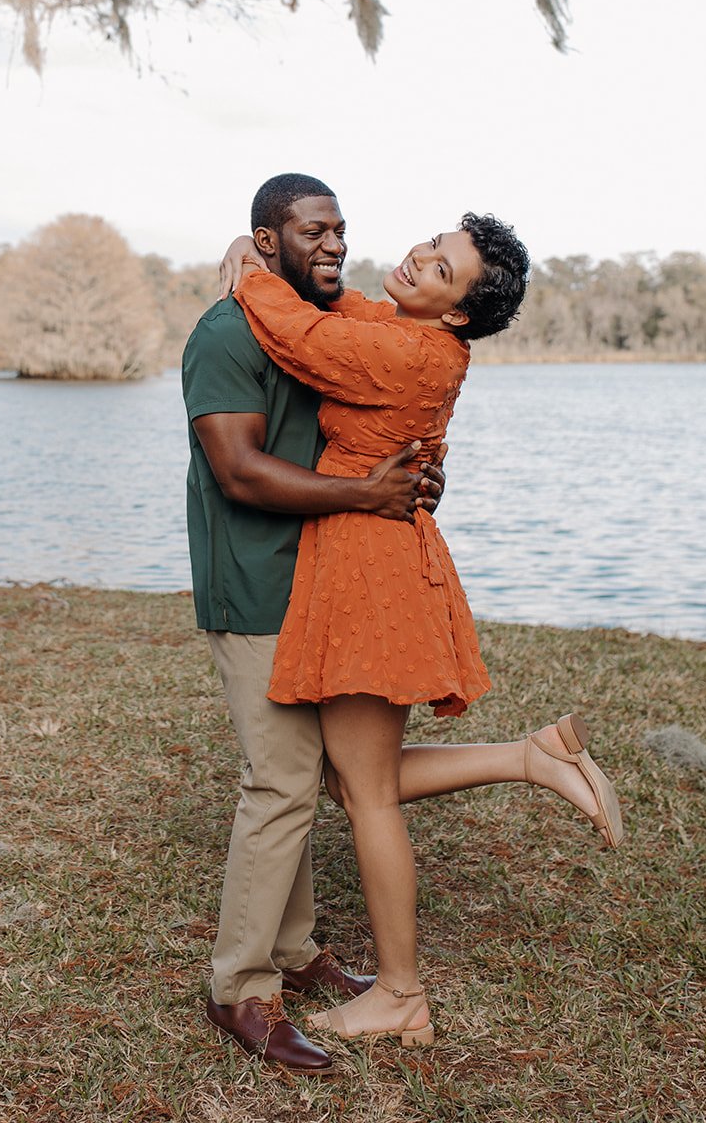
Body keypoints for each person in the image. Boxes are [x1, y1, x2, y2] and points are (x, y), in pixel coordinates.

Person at [228, 214, 623, 1049]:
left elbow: (301, 337)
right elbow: (350, 313)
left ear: (453, 311)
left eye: (438, 268)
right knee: (352, 783)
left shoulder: (411, 352)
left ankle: (400, 993)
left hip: (369, 569)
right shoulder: (410, 333)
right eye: (429, 244)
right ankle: (530, 758)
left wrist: (248, 269)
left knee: (365, 793)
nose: (415, 258)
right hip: (368, 557)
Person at [182, 173, 447, 1076]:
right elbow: (241, 473)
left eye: (339, 229)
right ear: (266, 242)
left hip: (321, 583)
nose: (332, 244)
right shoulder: (224, 331)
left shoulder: (330, 329)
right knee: (282, 782)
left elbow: (382, 420)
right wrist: (366, 495)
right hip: (254, 585)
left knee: (299, 777)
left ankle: (294, 955)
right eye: (310, 232)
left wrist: (405, 480)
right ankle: (242, 988)